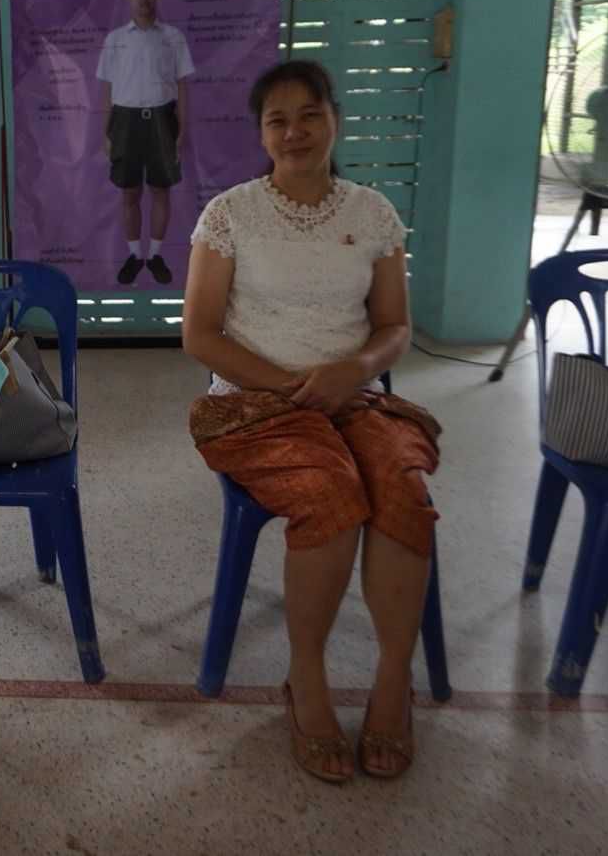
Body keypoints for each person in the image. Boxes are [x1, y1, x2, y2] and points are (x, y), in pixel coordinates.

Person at [180, 60, 440, 784]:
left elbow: (394, 327)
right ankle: (308, 679)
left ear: (335, 120)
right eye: (278, 120)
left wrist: (352, 373)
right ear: (261, 134)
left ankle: (394, 682)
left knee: (402, 488)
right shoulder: (229, 215)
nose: (294, 132)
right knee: (330, 491)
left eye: (310, 115)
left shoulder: (373, 214)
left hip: (355, 395)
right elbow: (200, 335)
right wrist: (299, 387)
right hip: (254, 403)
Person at [96, 0, 194, 286]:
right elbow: (108, 90)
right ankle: (135, 255)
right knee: (129, 192)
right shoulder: (114, 40)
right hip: (125, 121)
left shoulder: (173, 38)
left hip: (162, 119)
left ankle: (154, 255)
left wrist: (181, 128)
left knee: (160, 190)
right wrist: (106, 131)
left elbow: (182, 86)